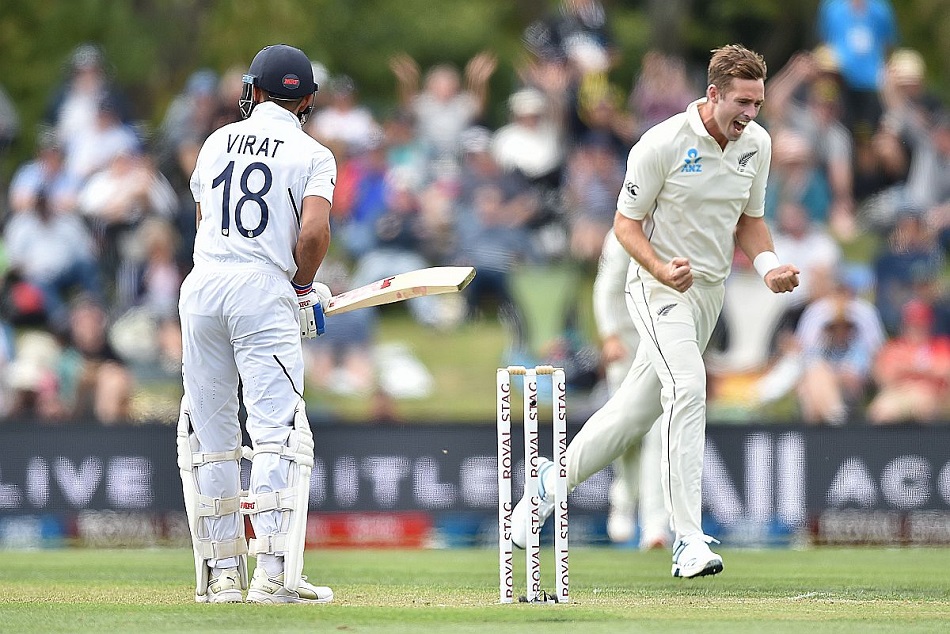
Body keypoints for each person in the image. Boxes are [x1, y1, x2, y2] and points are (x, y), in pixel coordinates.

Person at [510, 45, 800, 579]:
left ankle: (548, 486)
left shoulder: (756, 144)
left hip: (708, 293)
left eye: (757, 104)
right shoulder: (661, 142)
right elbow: (625, 224)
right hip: (657, 287)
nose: (750, 115)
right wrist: (662, 269)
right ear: (712, 94)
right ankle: (685, 538)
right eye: (742, 102)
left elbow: (750, 222)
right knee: (687, 390)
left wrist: (769, 267)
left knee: (630, 417)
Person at [176, 44, 336, 604]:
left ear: (256, 91)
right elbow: (313, 234)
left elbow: (203, 221)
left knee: (214, 437)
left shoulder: (217, 140)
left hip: (201, 286)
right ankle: (272, 573)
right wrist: (300, 288)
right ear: (308, 100)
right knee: (275, 432)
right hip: (261, 290)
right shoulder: (314, 152)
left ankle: (223, 576)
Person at [592, 229, 670, 548]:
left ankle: (655, 525)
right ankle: (623, 503)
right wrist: (609, 334)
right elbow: (605, 289)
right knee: (627, 432)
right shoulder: (621, 234)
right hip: (625, 346)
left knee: (661, 434)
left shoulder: (675, 227)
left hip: (661, 344)